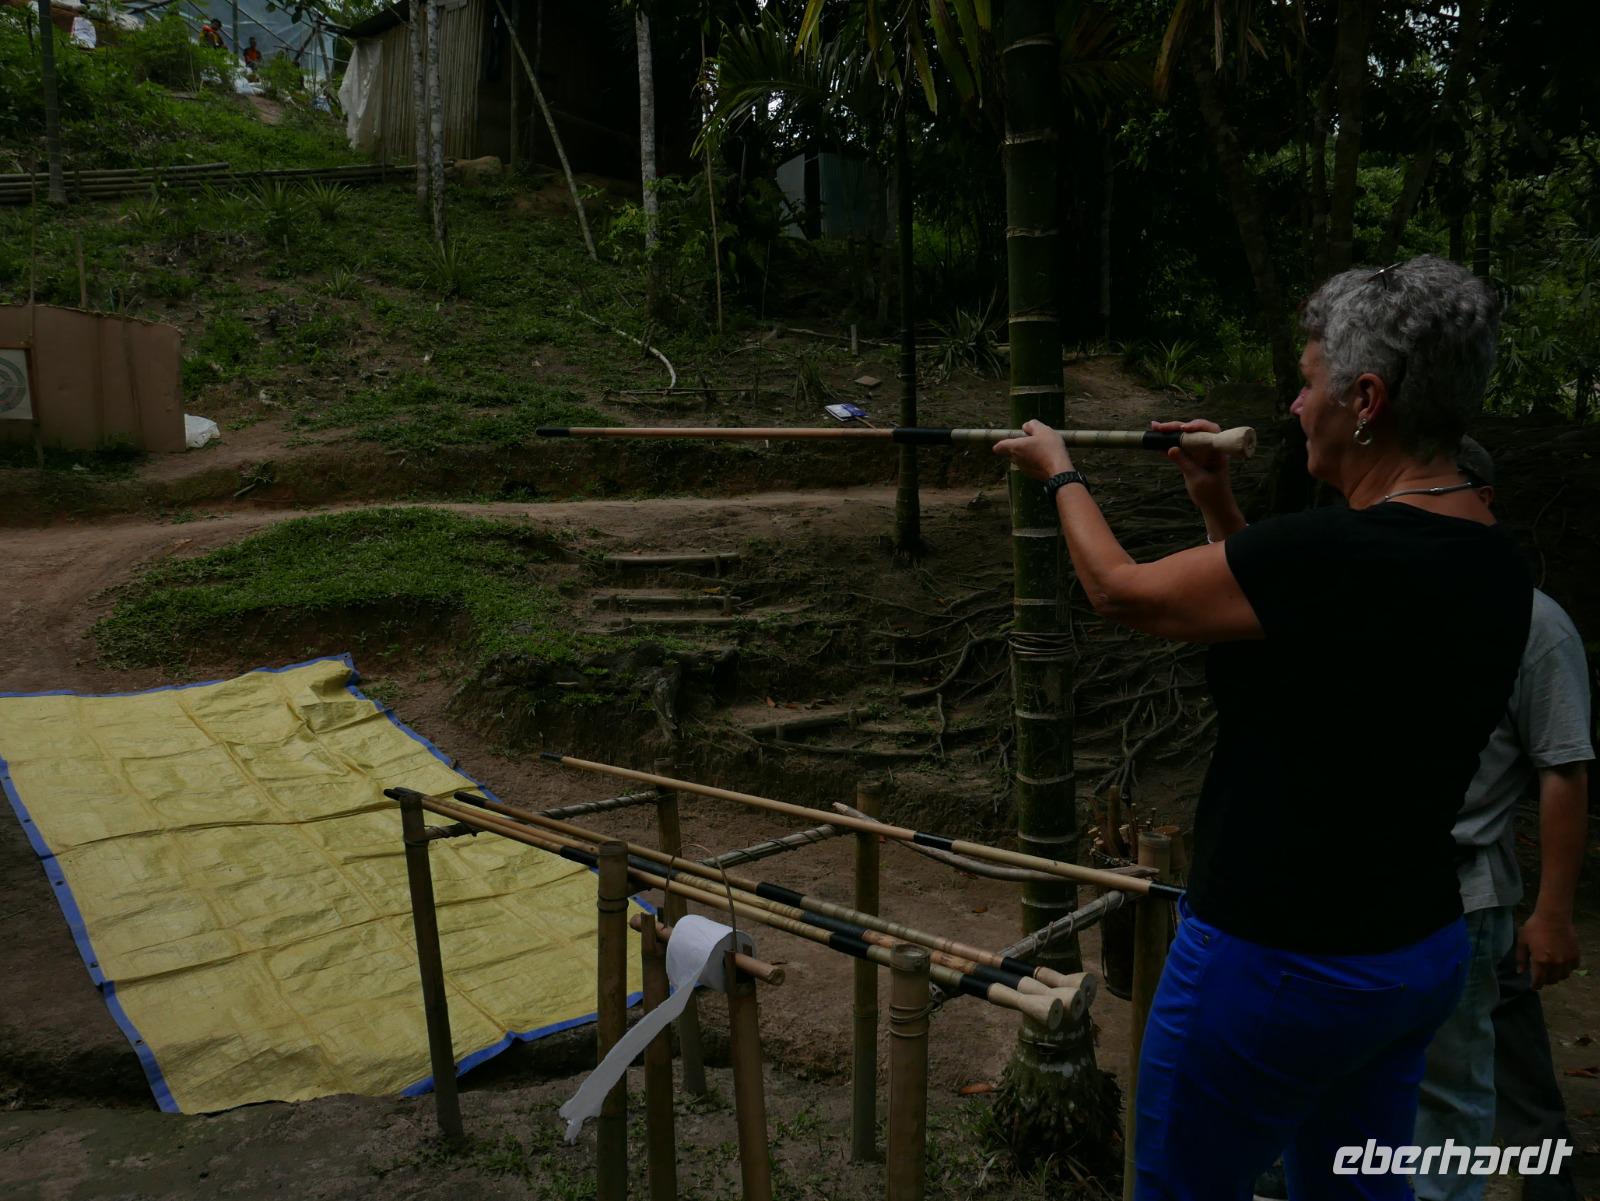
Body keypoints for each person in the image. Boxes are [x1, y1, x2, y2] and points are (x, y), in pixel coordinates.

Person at [993, 255, 1531, 1199]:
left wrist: (1058, 471)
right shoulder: (1495, 559)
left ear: (1367, 400)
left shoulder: (1330, 553)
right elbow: (1297, 634)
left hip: (1277, 959)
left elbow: (1119, 590)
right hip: (1411, 956)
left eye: (1310, 382)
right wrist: (1215, 502)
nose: (1294, 404)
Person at [1412, 438, 1591, 1201]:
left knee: (1462, 1091)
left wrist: (1552, 912)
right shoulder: (1393, 595)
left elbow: (1564, 769)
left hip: (1466, 895)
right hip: (1371, 889)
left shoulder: (1535, 623)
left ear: (1482, 498)